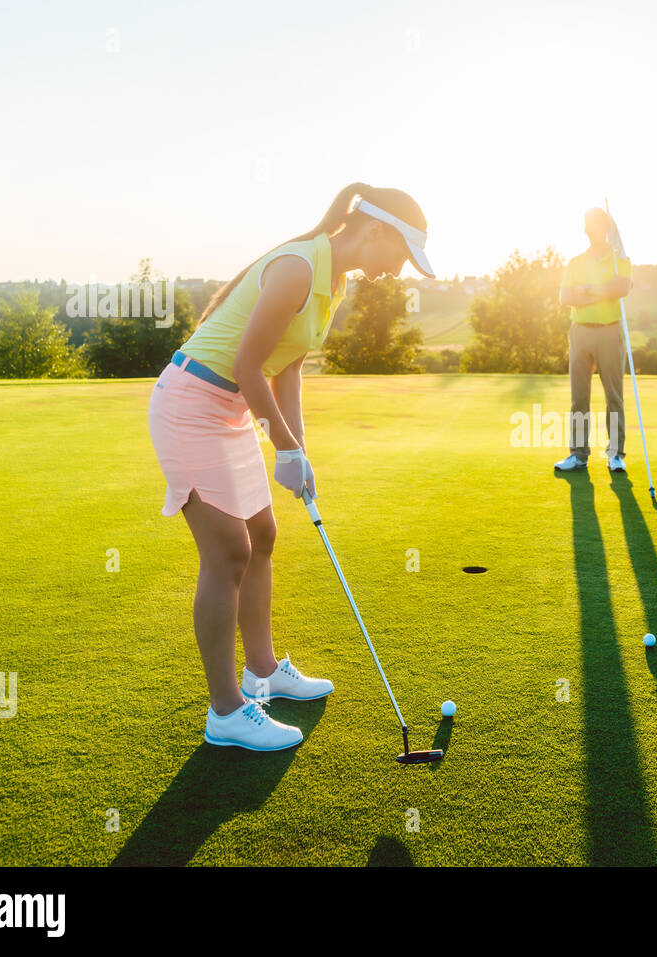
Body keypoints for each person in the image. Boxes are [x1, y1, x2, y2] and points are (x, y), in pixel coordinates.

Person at [147, 183, 434, 751]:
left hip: (231, 407)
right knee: (229, 551)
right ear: (375, 230)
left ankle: (263, 672)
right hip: (192, 404)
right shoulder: (299, 267)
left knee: (263, 535)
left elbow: (288, 371)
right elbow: (247, 363)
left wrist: (299, 448)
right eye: (400, 255)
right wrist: (281, 444)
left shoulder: (334, 281)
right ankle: (226, 711)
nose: (398, 271)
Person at [554, 207, 633, 473]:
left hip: (610, 331)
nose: (588, 230)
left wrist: (586, 291)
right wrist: (603, 291)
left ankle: (615, 454)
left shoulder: (618, 258)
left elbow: (622, 288)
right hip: (580, 331)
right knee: (579, 397)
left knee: (613, 396)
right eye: (586, 226)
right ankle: (578, 455)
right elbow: (565, 297)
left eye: (593, 225)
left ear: (606, 228)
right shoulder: (576, 262)